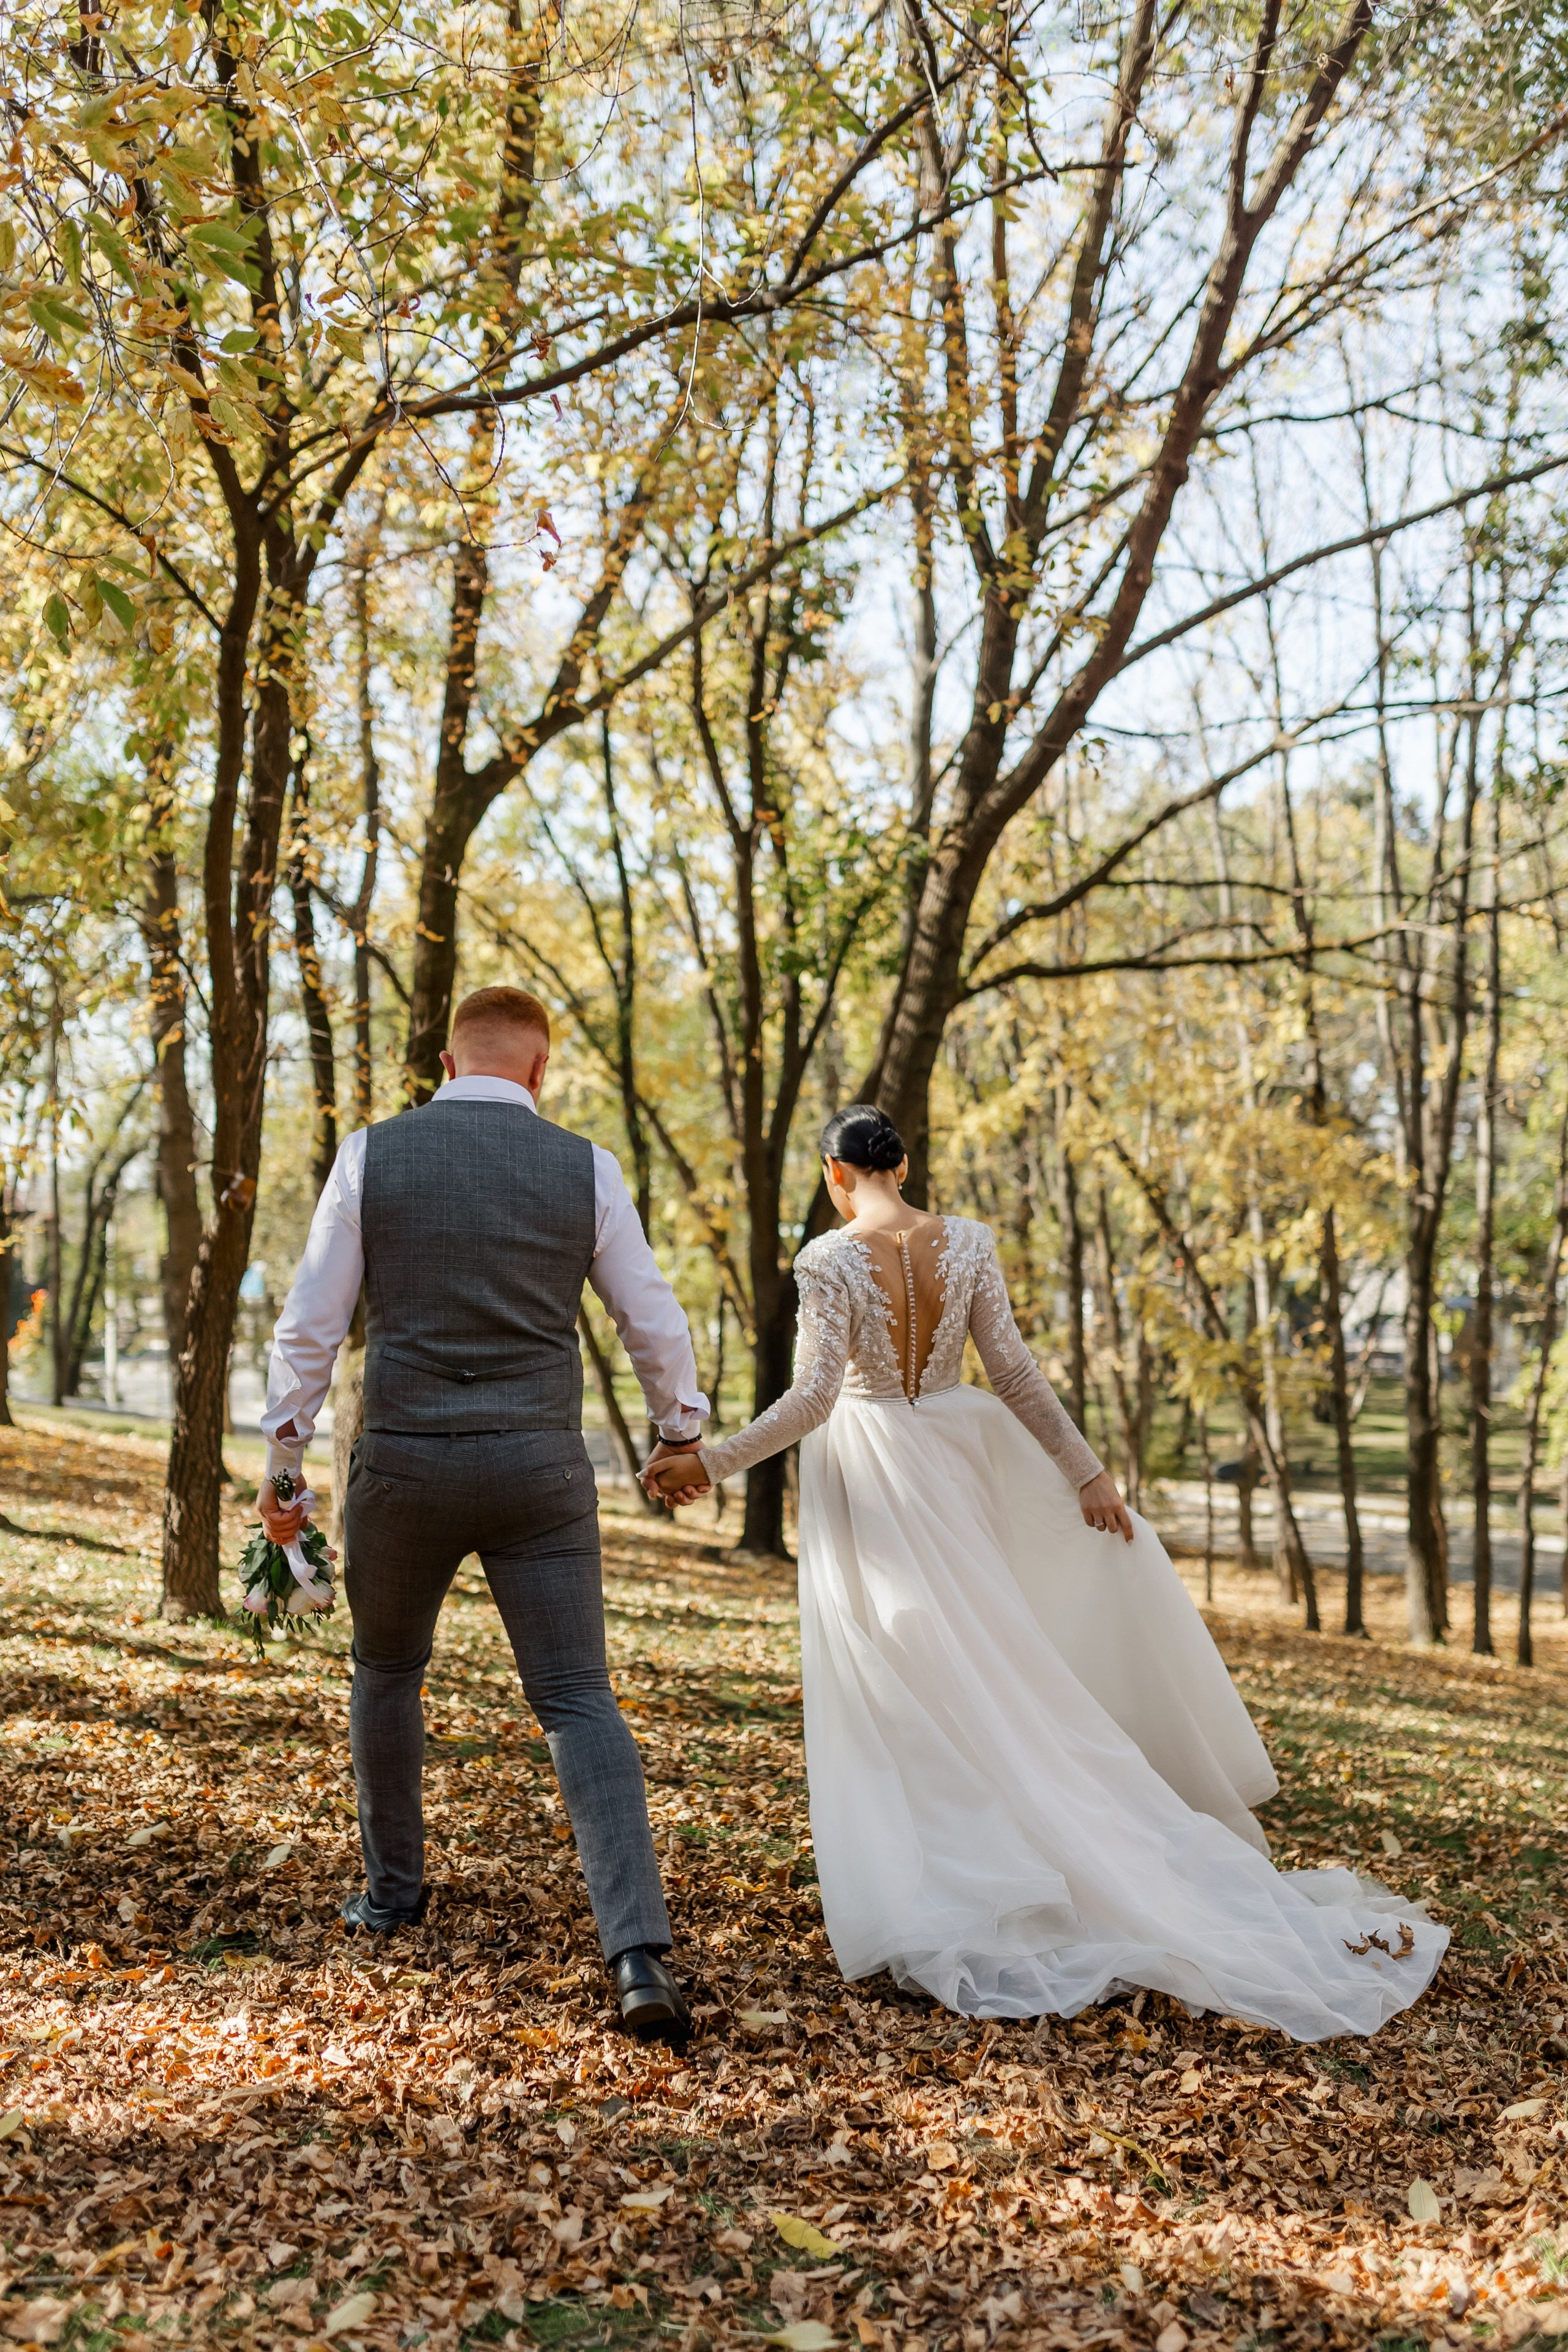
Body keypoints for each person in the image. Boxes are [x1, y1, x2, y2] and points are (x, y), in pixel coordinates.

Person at [646, 1103, 1448, 2039]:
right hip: (954, 1461)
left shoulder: (827, 1259)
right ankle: (1010, 1858)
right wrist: (1089, 1474)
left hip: (872, 1472)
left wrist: (714, 1460)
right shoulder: (971, 1243)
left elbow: (817, 1396)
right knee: (986, 1660)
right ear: (900, 1165)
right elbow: (1016, 1372)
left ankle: (956, 1880)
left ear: (834, 1172)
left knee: (904, 1674)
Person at [260, 985, 710, 2043]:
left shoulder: (374, 1155)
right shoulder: (585, 1167)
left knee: (387, 1670)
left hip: (406, 1467)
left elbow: (310, 1323)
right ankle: (639, 1956)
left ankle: (393, 1895)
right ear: (540, 1073)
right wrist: (679, 1430)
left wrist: (286, 1463)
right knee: (576, 1699)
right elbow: (652, 1316)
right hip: (540, 1475)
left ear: (447, 1065)